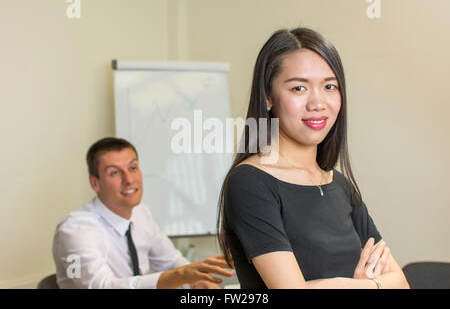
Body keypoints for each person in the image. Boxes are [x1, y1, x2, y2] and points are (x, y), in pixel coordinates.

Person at [217, 27, 410, 289]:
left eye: (330, 86)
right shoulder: (250, 182)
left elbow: (401, 282)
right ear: (268, 96)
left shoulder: (339, 184)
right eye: (299, 88)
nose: (318, 103)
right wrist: (373, 284)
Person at [53, 137, 233, 289]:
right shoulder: (75, 230)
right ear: (95, 183)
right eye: (114, 173)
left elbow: (170, 260)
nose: (129, 180)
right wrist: (181, 275)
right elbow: (103, 286)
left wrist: (197, 281)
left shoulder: (141, 212)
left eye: (132, 168)